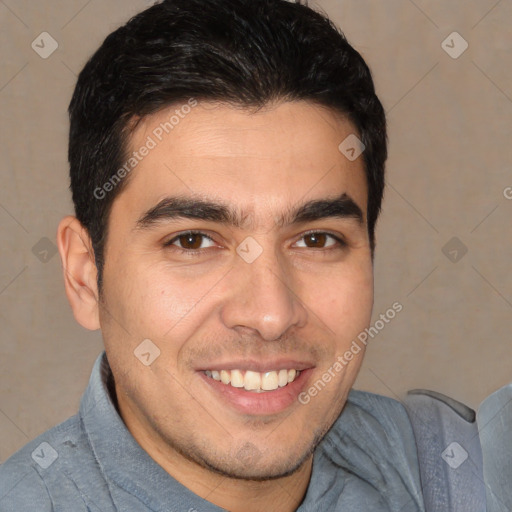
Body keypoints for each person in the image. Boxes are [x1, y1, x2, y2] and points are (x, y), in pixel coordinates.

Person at [0, 1, 502, 511]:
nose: (270, 314)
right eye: (192, 241)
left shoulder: (457, 471)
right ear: (85, 275)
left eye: (316, 239)